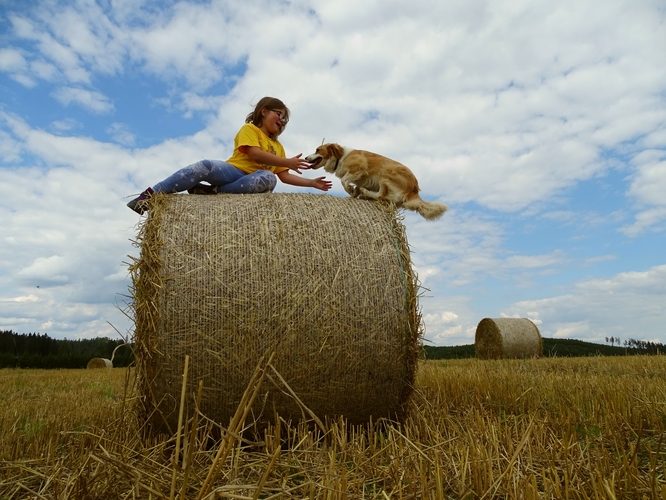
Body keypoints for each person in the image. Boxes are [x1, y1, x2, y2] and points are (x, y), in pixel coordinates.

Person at [127, 96, 332, 214]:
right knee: (205, 165)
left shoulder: (278, 147)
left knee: (269, 178)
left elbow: (284, 176)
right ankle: (150, 196)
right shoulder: (250, 130)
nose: (282, 120)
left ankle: (213, 191)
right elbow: (255, 154)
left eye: (285, 119)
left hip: (252, 180)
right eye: (279, 114)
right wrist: (286, 161)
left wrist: (312, 183)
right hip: (232, 171)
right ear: (264, 111)